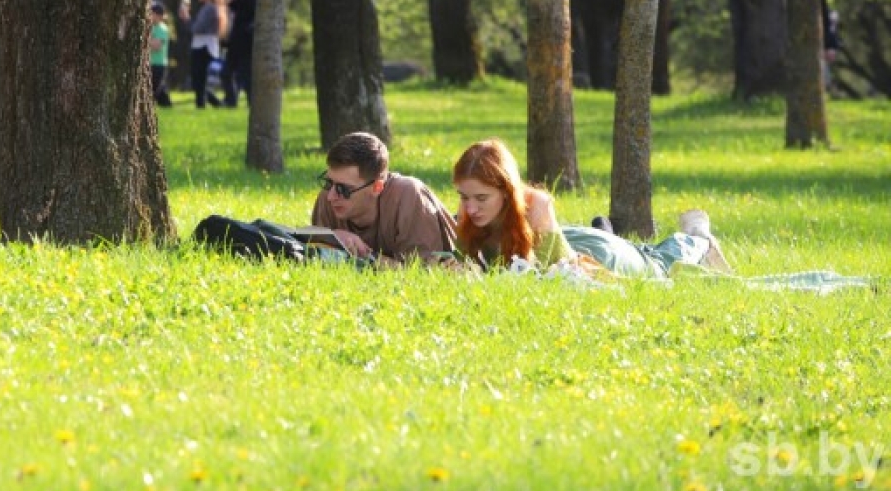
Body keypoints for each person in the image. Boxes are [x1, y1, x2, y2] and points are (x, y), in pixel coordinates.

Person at [451, 138, 732, 277]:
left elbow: (540, 276)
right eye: (464, 197)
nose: (471, 208)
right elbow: (462, 260)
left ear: (506, 192)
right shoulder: (471, 211)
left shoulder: (536, 207)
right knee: (643, 249)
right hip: (572, 237)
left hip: (597, 257)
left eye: (481, 198)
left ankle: (698, 237)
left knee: (655, 263)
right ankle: (609, 229)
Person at [310, 131, 458, 267]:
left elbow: (422, 271)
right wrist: (332, 238)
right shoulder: (328, 196)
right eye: (329, 183)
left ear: (377, 187)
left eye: (344, 189)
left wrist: (364, 255)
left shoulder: (408, 195)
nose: (331, 196)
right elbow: (311, 254)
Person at [222, 0, 258, 108]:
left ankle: (248, 103)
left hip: (244, 40)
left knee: (245, 74)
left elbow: (243, 10)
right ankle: (231, 101)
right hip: (237, 39)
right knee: (228, 72)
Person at [188, 0, 226, 108]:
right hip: (207, 46)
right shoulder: (211, 8)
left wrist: (187, 19)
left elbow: (196, 28)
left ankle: (204, 104)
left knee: (199, 79)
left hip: (203, 46)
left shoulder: (209, 8)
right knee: (200, 79)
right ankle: (212, 103)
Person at [818, 0, 841, 93]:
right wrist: (828, 47)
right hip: (818, 50)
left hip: (823, 48)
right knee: (823, 81)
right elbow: (824, 25)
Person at [148, 1, 173, 107]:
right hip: (150, 62)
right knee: (158, 87)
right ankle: (167, 104)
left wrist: (146, 40)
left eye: (152, 13)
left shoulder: (163, 29)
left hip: (159, 64)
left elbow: (157, 46)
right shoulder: (151, 27)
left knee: (155, 88)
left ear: (159, 15)